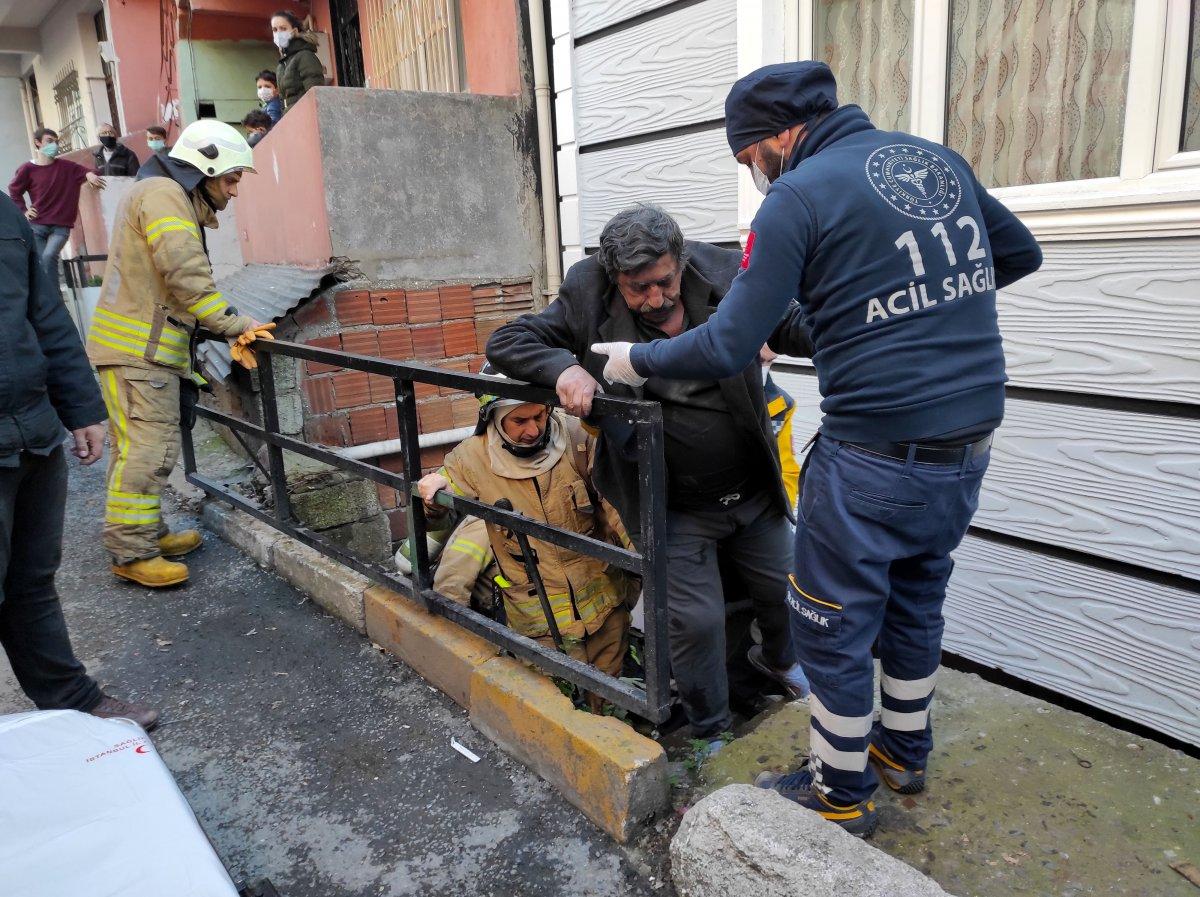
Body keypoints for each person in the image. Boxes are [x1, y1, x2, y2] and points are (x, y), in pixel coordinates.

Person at [591, 62, 1043, 836]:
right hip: (966, 448)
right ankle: (904, 749)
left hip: (873, 450)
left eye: (747, 160)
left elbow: (731, 340)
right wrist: (906, 309)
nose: (755, 177)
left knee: (827, 619)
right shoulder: (933, 161)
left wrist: (632, 361)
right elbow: (1017, 255)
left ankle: (840, 787)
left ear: (777, 138)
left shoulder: (800, 195)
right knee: (917, 596)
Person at [486, 205, 813, 751]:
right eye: (638, 289)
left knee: (789, 590)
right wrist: (563, 368)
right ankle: (711, 732)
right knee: (695, 621)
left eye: (664, 282)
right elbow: (508, 341)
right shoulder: (586, 293)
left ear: (681, 263)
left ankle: (780, 661)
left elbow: (799, 322)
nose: (655, 298)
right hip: (672, 503)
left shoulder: (729, 275)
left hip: (751, 489)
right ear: (615, 280)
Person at [86, 119, 272, 589]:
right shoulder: (165, 197)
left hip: (134, 351)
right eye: (230, 179)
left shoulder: (160, 193)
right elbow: (184, 275)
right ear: (204, 168)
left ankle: (144, 533)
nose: (233, 193)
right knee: (150, 450)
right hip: (139, 355)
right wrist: (235, 325)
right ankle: (132, 552)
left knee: (135, 449)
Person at [0, 192, 159, 731]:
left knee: (32, 580)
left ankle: (72, 698)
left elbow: (45, 316)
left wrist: (81, 408)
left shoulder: (2, 213)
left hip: (33, 433)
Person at [415, 378, 637, 686]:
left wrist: (644, 567)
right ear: (492, 416)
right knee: (556, 703)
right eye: (519, 420)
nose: (532, 430)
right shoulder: (470, 460)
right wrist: (435, 499)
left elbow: (621, 509)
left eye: (539, 416)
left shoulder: (579, 439)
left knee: (609, 696)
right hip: (537, 622)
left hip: (604, 606)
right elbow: (436, 522)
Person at [8, 128, 105, 278]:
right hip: (37, 225)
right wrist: (24, 211)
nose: (55, 145)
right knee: (42, 263)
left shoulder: (67, 167)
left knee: (48, 257)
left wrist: (89, 174)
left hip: (61, 226)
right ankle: (54, 298)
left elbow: (89, 172)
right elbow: (14, 191)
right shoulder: (27, 169)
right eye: (50, 141)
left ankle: (53, 299)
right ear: (38, 143)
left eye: (56, 142)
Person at [759, 346, 801, 510]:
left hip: (758, 516)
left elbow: (786, 471)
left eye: (769, 362)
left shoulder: (782, 406)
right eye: (758, 361)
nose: (763, 369)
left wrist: (782, 515)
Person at [272, 11, 325, 112]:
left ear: (295, 31)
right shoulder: (281, 65)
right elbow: (283, 100)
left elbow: (315, 94)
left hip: (305, 116)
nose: (278, 33)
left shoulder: (305, 56)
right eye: (275, 29)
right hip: (291, 119)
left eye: (283, 28)